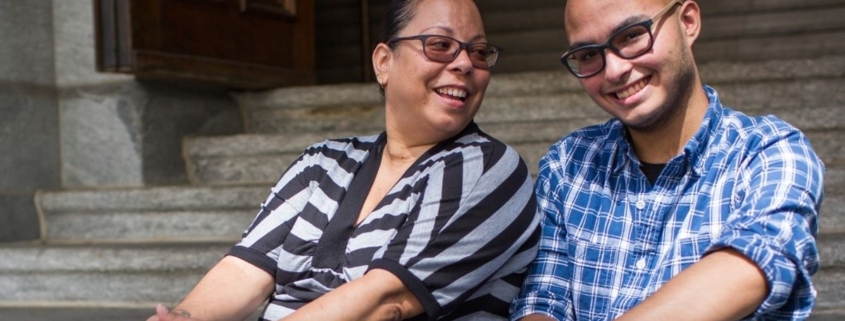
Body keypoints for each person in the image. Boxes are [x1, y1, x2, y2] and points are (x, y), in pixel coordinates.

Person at [146, 0, 540, 320]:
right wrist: (184, 317)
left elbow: (384, 302)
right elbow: (244, 270)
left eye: (479, 51)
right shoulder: (323, 163)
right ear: (384, 62)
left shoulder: (488, 169)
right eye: (440, 45)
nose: (465, 64)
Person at [510, 0, 824, 320]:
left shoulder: (768, 151)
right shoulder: (568, 165)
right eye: (589, 54)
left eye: (632, 35)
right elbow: (542, 299)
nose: (615, 70)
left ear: (687, 22)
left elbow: (756, 262)